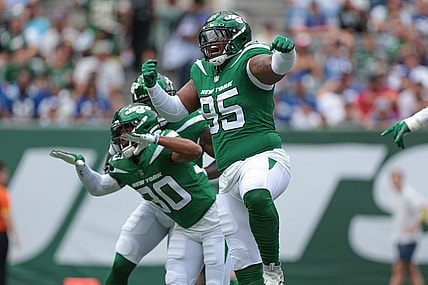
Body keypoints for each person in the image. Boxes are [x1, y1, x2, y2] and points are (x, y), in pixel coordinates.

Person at [140, 11, 295, 285]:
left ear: (237, 39)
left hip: (262, 157)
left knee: (256, 193)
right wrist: (153, 89)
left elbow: (272, 68)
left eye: (218, 38)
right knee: (243, 261)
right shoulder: (202, 71)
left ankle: (273, 268)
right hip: (228, 173)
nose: (211, 44)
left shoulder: (248, 58)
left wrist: (285, 55)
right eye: (208, 39)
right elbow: (176, 110)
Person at [50, 103, 226, 285]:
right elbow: (99, 187)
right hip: (184, 226)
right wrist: (82, 168)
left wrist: (154, 139)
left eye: (126, 130)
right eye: (119, 132)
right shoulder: (124, 163)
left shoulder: (163, 143)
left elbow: (195, 151)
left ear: (143, 128)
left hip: (213, 221)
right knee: (175, 281)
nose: (122, 137)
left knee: (217, 282)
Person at [102, 73, 232, 285]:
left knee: (210, 275)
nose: (155, 110)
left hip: (191, 206)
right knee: (123, 258)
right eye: (148, 104)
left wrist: (202, 176)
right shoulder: (130, 130)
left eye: (158, 101)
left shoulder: (191, 123)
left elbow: (225, 157)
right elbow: (111, 171)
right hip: (158, 204)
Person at [388, 170, 428, 285]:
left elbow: (425, 208)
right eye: (392, 179)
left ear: (401, 179)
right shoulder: (395, 195)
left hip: (410, 238)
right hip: (399, 237)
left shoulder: (409, 194)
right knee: (410, 268)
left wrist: (415, 226)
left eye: (396, 178)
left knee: (399, 267)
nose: (394, 182)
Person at [0, 159, 20, 285]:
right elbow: (6, 216)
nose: (7, 175)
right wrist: (15, 235)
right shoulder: (2, 194)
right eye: (4, 173)